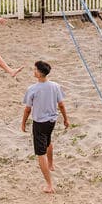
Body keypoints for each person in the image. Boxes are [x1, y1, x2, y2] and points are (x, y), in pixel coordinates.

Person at [20, 61, 69, 194]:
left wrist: (23, 122)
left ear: (40, 73)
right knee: (48, 140)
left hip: (39, 123)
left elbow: (27, 109)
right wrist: (65, 118)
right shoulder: (55, 86)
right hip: (51, 121)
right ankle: (51, 164)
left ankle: (49, 185)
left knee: (40, 153)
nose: (33, 71)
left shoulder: (33, 89)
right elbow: (62, 105)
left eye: (35, 69)